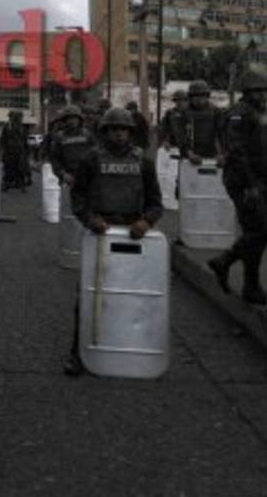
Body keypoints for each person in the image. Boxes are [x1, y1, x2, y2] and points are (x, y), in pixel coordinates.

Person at [64, 107, 163, 376]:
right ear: (104, 132)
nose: (118, 134)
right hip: (99, 233)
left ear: (130, 132)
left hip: (132, 235)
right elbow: (78, 197)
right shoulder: (91, 160)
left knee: (130, 295)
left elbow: (155, 202)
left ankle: (129, 348)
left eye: (123, 129)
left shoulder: (143, 161)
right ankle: (78, 353)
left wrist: (147, 222)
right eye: (112, 129)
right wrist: (90, 219)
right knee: (87, 296)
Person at [208, 67, 267, 304]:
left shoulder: (265, 113)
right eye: (258, 90)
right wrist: (251, 185)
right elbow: (236, 151)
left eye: (266, 90)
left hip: (263, 180)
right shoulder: (239, 113)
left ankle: (249, 284)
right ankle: (227, 263)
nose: (263, 95)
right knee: (261, 230)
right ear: (247, 91)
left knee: (258, 231)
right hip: (244, 181)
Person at [46, 105, 95, 187]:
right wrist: (63, 174)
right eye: (68, 118)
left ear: (79, 119)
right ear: (64, 120)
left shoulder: (88, 135)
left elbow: (96, 155)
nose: (71, 121)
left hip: (88, 176)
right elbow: (54, 159)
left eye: (74, 118)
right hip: (69, 178)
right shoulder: (59, 137)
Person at [180, 80, 223, 164]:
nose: (199, 99)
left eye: (202, 96)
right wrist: (190, 154)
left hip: (212, 156)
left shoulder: (215, 111)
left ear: (207, 96)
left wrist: (221, 154)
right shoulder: (184, 112)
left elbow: (220, 134)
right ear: (191, 97)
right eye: (196, 96)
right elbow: (181, 137)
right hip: (189, 156)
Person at [0, 109, 31, 190]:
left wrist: (27, 152)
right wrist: (3, 150)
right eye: (19, 117)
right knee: (8, 168)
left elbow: (25, 140)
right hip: (10, 151)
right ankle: (7, 183)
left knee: (20, 168)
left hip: (20, 151)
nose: (20, 119)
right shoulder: (7, 127)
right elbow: (3, 139)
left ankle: (20, 183)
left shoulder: (22, 128)